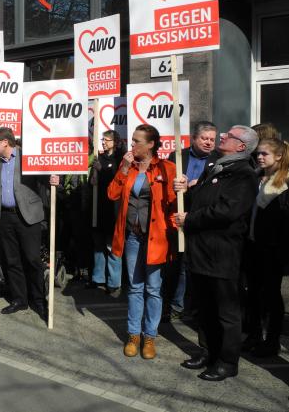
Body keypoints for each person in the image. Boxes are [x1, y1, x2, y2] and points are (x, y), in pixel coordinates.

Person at [175, 125, 259, 381]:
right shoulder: (217, 166)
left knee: (226, 312)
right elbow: (203, 199)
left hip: (222, 253)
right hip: (201, 251)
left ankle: (227, 361)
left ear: (241, 146)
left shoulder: (243, 174)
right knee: (205, 307)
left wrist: (190, 218)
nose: (222, 137)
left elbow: (227, 211)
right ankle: (207, 351)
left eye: (228, 136)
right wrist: (185, 190)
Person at [108, 124, 177, 360]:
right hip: (132, 236)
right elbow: (112, 194)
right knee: (135, 287)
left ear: (151, 144)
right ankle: (133, 335)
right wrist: (124, 169)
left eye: (137, 141)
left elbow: (173, 204)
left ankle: (150, 337)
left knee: (153, 289)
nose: (132, 145)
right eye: (132, 140)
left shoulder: (167, 168)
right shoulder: (129, 166)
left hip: (156, 236)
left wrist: (181, 189)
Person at [0, 127, 57, 320]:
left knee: (32, 259)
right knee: (11, 260)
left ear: (5, 143)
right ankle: (19, 299)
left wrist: (54, 179)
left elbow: (45, 177)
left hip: (28, 217)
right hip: (5, 218)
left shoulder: (28, 158)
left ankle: (39, 300)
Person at [163, 121, 220, 321]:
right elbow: (166, 185)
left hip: (203, 219)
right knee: (175, 264)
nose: (209, 143)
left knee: (195, 265)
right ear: (194, 138)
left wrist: (197, 186)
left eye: (212, 139)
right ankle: (174, 304)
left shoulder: (219, 160)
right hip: (178, 215)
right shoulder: (178, 156)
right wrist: (174, 184)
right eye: (204, 138)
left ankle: (192, 305)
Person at [243, 138, 289, 357]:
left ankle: (271, 340)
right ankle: (253, 336)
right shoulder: (259, 177)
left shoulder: (285, 182)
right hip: (253, 245)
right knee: (253, 294)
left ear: (279, 156)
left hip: (272, 250)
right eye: (258, 154)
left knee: (271, 295)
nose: (259, 157)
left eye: (264, 154)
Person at [89, 129, 126, 297]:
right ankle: (98, 279)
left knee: (112, 247)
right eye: (103, 139)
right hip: (98, 208)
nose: (104, 142)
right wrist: (95, 171)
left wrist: (102, 170)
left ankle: (114, 283)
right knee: (98, 246)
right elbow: (93, 183)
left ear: (115, 142)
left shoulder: (120, 160)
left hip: (113, 209)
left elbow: (117, 181)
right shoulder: (99, 158)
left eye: (107, 140)